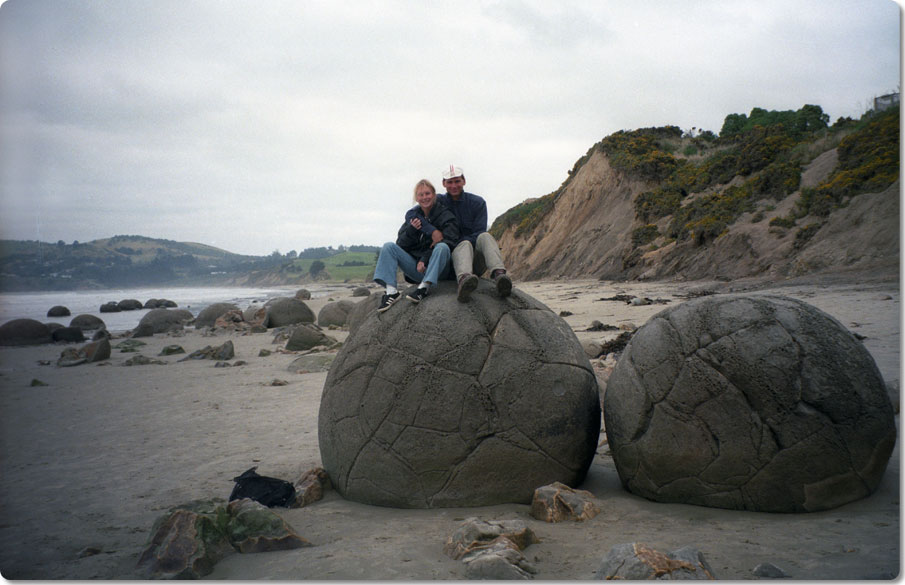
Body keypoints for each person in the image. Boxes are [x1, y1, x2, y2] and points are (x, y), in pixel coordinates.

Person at [373, 179, 460, 312]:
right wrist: (412, 230)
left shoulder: (446, 216)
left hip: (439, 269)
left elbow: (450, 241)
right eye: (421, 195)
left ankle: (424, 288)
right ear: (416, 198)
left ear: (434, 195)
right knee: (388, 246)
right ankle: (391, 292)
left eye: (428, 193)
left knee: (442, 247)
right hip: (417, 270)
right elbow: (401, 245)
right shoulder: (413, 218)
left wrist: (425, 259)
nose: (425, 197)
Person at [436, 164, 511, 302]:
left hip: (474, 261)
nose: (454, 185)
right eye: (450, 182)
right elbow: (417, 210)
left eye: (457, 181)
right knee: (464, 244)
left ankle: (499, 275)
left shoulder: (477, 202)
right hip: (449, 262)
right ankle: (464, 281)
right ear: (444, 184)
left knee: (485, 236)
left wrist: (462, 242)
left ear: (464, 181)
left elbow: (479, 232)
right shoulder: (438, 202)